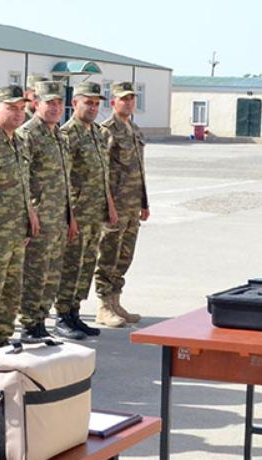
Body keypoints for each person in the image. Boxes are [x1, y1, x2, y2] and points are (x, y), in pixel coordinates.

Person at [0, 85, 39, 350]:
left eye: (21, 108)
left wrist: (30, 215)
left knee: (11, 291)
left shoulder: (19, 140)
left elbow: (24, 183)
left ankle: (1, 338)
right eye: (11, 108)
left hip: (15, 231)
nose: (18, 113)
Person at [56, 82, 121, 332]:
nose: (93, 107)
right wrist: (70, 216)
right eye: (88, 102)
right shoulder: (66, 135)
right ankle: (62, 314)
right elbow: (63, 179)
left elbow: (103, 174)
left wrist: (110, 206)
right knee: (71, 264)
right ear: (75, 103)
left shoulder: (96, 132)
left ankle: (75, 312)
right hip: (77, 214)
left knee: (86, 265)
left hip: (95, 213)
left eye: (96, 103)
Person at [17, 81, 79, 341]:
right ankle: (31, 324)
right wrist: (30, 213)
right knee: (35, 272)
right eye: (49, 103)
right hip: (39, 217)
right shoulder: (27, 134)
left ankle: (42, 320)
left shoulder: (59, 135)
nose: (55, 108)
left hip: (58, 218)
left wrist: (71, 217)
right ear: (36, 104)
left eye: (58, 103)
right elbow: (21, 178)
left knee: (52, 273)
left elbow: (66, 181)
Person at [95, 82, 148, 326]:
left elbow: (140, 169)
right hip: (115, 206)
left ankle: (116, 302)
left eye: (132, 99)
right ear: (113, 102)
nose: (128, 103)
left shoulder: (135, 130)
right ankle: (104, 306)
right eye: (123, 99)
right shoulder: (108, 130)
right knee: (108, 255)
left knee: (125, 256)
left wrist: (144, 203)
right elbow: (103, 172)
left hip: (132, 205)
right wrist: (109, 206)